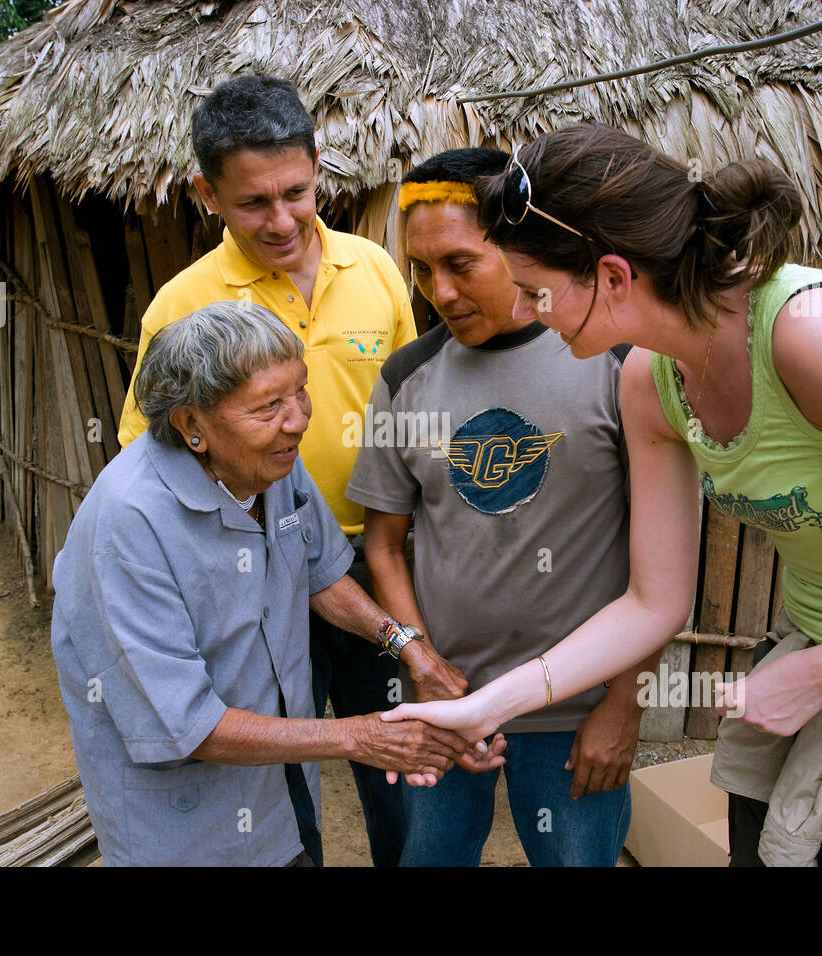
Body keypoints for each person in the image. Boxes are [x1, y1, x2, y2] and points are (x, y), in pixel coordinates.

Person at [383, 123, 822, 865]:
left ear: (611, 276)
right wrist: (484, 708)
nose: (532, 312)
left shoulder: (817, 338)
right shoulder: (652, 380)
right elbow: (652, 603)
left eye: (539, 291)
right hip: (821, 670)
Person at [114, 75, 419, 865]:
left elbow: (416, 411)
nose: (282, 220)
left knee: (401, 767)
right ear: (206, 193)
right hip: (248, 580)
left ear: (321, 169)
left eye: (298, 192)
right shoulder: (185, 309)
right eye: (253, 203)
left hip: (366, 561)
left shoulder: (377, 272)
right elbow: (145, 459)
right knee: (275, 769)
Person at [52, 303, 470, 866]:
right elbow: (190, 726)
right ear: (192, 425)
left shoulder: (270, 461)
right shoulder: (129, 524)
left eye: (299, 391)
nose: (297, 419)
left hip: (282, 787)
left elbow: (320, 571)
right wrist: (360, 736)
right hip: (186, 825)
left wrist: (404, 645)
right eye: (268, 405)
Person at [345, 147, 658, 866]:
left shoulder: (612, 363)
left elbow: (661, 570)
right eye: (422, 270)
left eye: (460, 264)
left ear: (515, 250)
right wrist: (420, 661)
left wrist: (623, 706)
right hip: (446, 704)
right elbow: (384, 545)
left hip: (576, 711)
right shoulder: (407, 376)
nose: (439, 292)